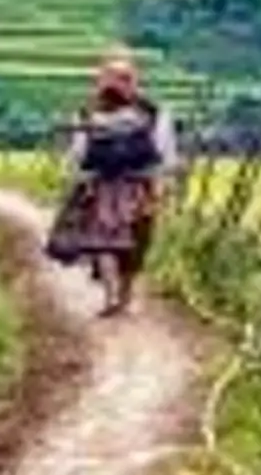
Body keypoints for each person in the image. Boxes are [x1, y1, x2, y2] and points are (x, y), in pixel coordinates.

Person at [45, 49, 178, 317]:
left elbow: (78, 155)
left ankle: (116, 295)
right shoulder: (153, 113)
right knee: (128, 242)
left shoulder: (90, 114)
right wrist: (162, 182)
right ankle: (119, 296)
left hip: (111, 188)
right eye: (117, 77)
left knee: (110, 242)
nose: (120, 83)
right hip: (139, 187)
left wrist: (78, 178)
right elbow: (165, 154)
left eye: (123, 77)